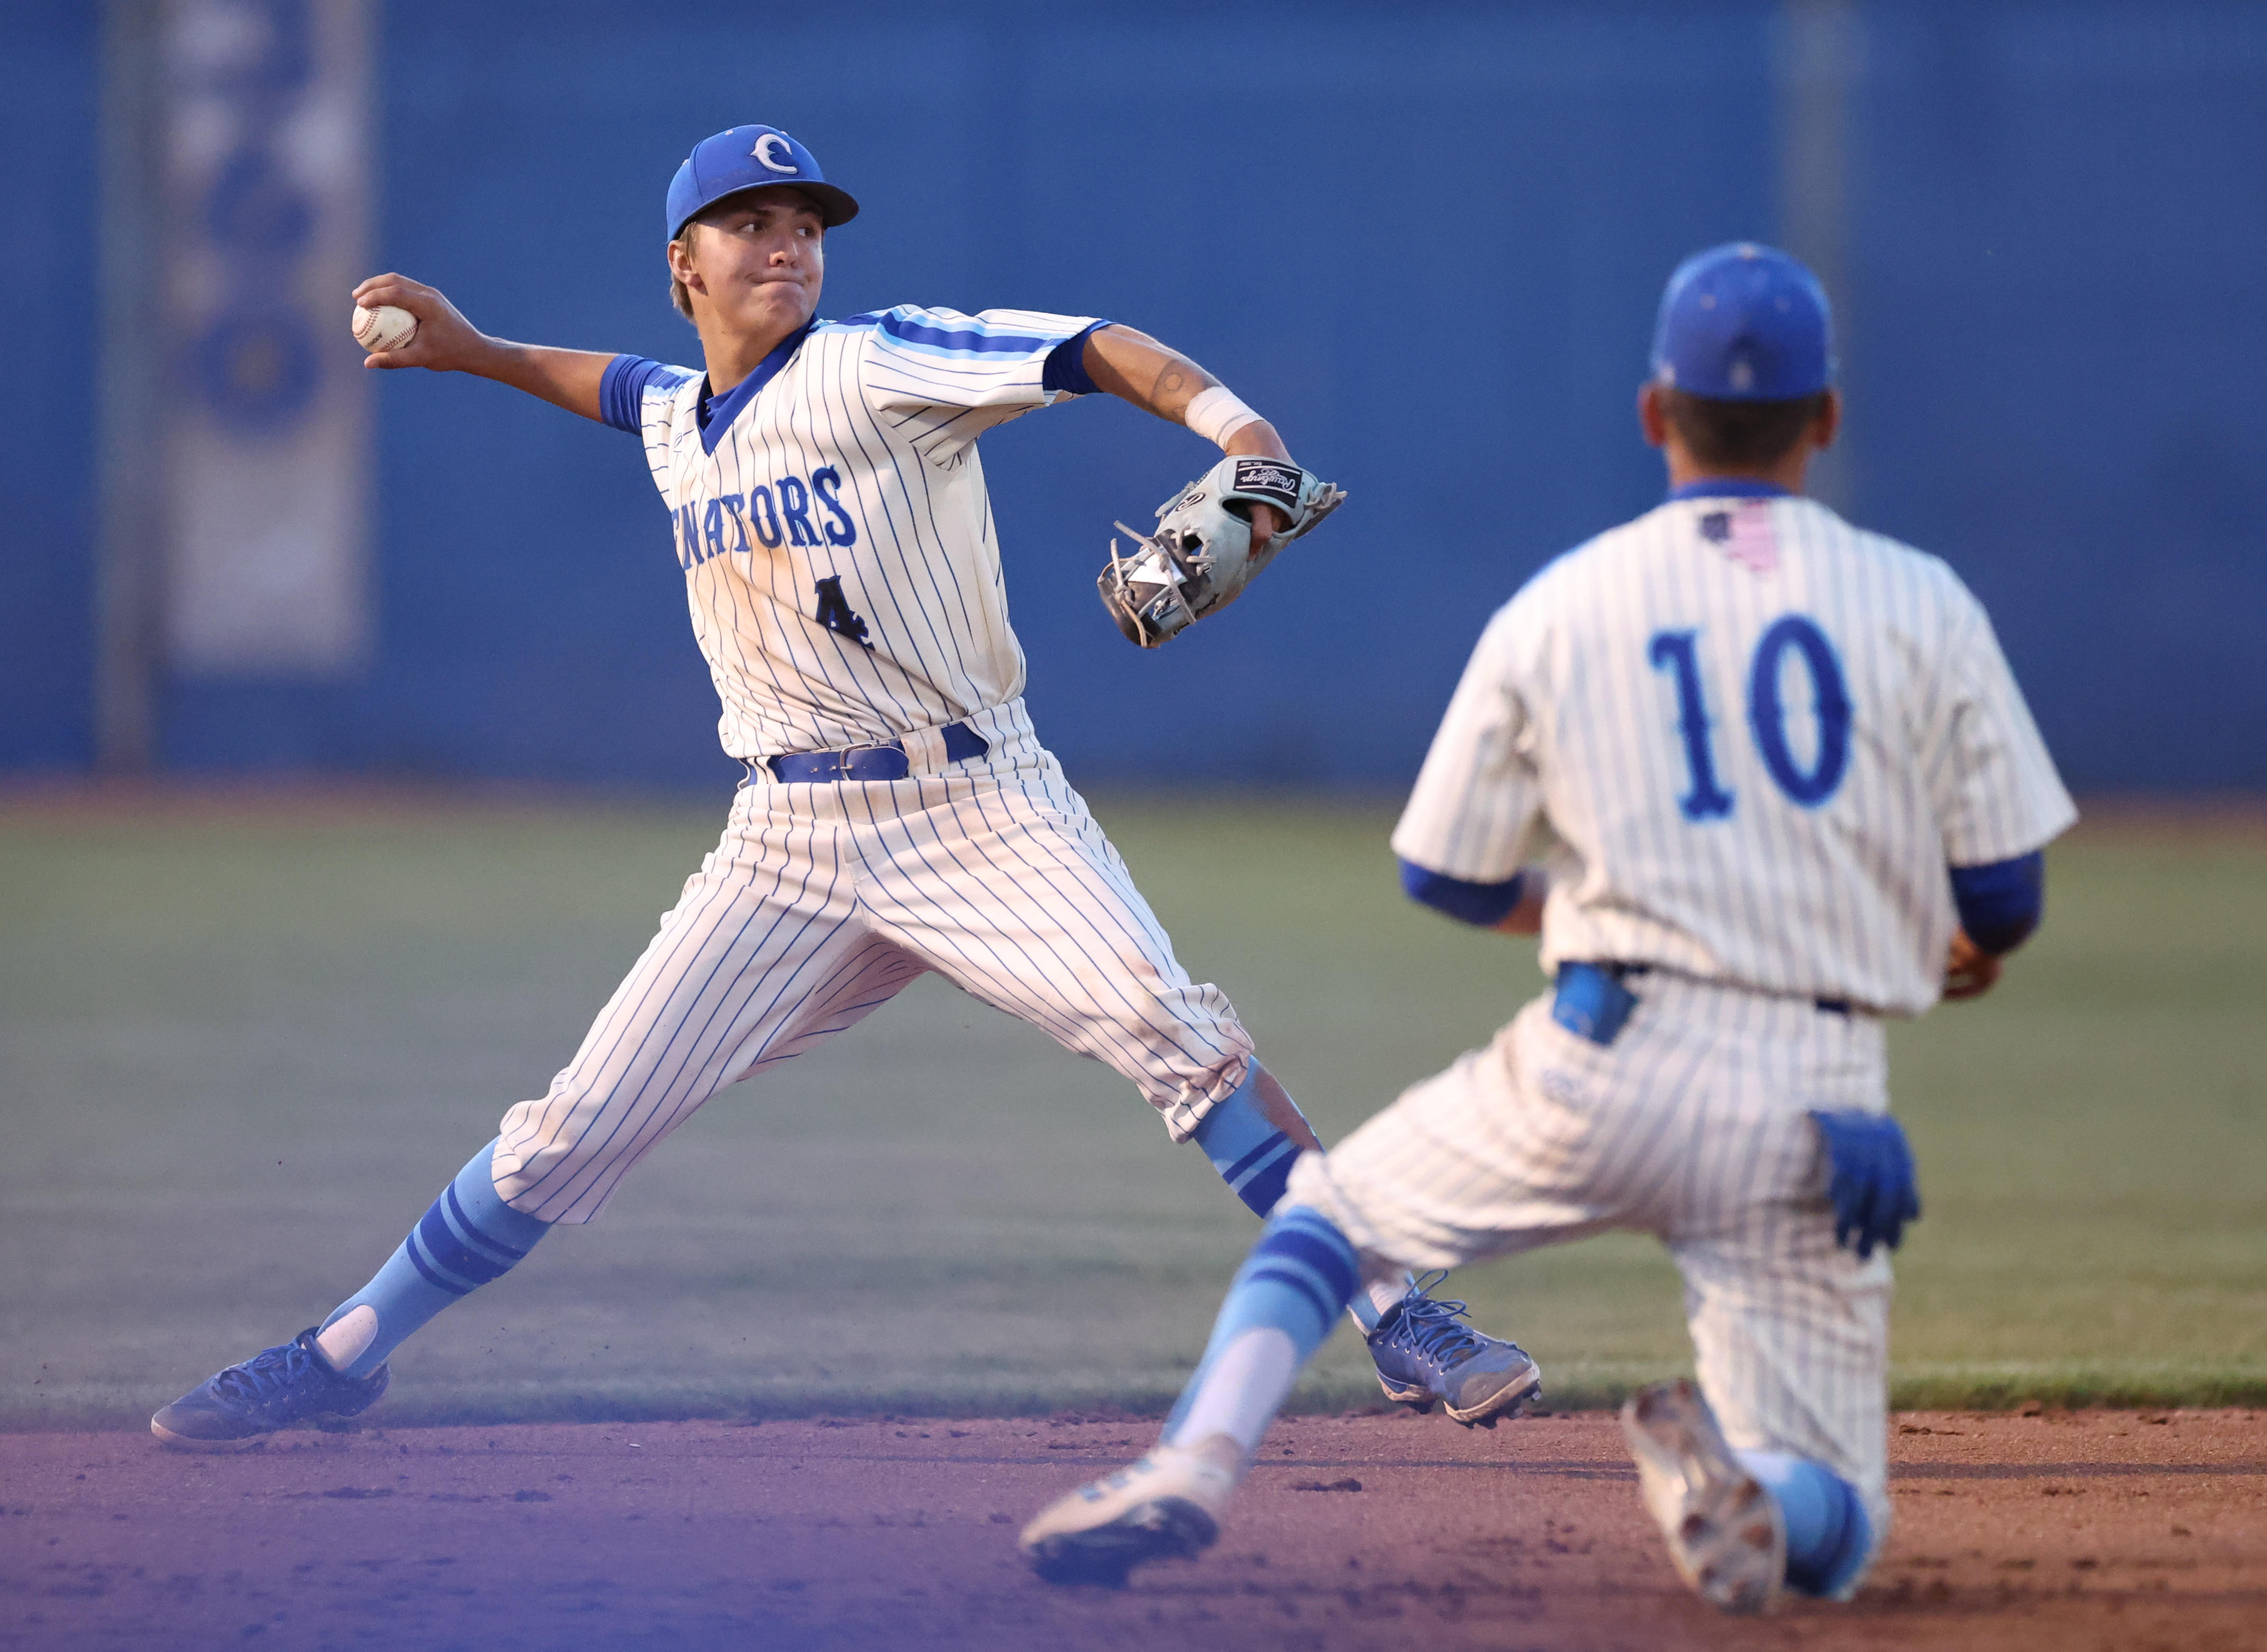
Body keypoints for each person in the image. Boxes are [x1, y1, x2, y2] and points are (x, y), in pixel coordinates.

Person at [149, 124, 1535, 1450]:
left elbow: (1090, 348)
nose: (786, 243)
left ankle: (1400, 1314)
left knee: (1177, 1032)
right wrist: (478, 353)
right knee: (573, 1126)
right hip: (788, 841)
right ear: (683, 261)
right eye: (749, 223)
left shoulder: (884, 363)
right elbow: (621, 387)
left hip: (978, 807)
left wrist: (1242, 438)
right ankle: (341, 1356)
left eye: (805, 224)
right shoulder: (682, 421)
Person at [1019, 243, 2076, 1610]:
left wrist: (1579, 905)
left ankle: (1195, 1460)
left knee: (1325, 1223)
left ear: (1654, 412)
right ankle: (1755, 1488)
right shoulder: (1923, 600)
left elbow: (1444, 874)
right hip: (1815, 1099)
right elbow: (2004, 901)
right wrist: (1944, 942)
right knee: (1843, 1528)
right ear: (1826, 417)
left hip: (1599, 1050)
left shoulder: (1565, 603)